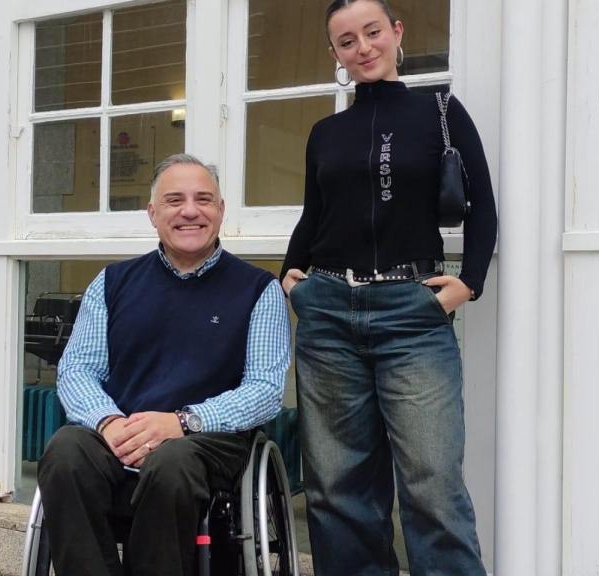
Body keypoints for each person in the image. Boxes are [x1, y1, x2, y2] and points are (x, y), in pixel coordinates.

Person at [280, 2, 497, 574]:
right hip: (328, 312)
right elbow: (314, 215)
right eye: (347, 41)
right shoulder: (326, 132)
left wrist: (469, 283)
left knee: (432, 483)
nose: (363, 47)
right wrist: (290, 276)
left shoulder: (441, 111)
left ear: (397, 33)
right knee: (336, 486)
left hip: (412, 312)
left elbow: (483, 205)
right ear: (335, 54)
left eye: (373, 32)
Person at [38, 154, 291, 576]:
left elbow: (265, 390)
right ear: (152, 213)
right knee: (65, 452)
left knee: (171, 464)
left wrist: (182, 422)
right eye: (175, 200)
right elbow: (77, 369)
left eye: (203, 200)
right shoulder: (112, 283)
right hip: (121, 429)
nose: (190, 211)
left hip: (207, 441)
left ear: (221, 210)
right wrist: (108, 423)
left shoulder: (258, 290)